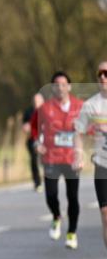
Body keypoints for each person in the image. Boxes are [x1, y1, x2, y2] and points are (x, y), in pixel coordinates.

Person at [32, 72, 83, 249]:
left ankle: (72, 233)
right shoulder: (45, 108)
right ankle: (56, 216)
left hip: (71, 159)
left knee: (72, 197)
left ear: (69, 87)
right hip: (51, 157)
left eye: (63, 84)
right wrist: (38, 143)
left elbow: (89, 129)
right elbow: (34, 128)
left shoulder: (79, 106)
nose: (60, 88)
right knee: (51, 195)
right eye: (56, 85)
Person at [74, 61, 107, 259]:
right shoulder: (91, 105)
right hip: (102, 164)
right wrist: (78, 154)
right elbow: (77, 131)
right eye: (100, 74)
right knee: (105, 214)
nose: (103, 77)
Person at [23, 93, 45, 192]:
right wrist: (26, 127)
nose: (36, 103)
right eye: (35, 101)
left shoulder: (47, 111)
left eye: (38, 101)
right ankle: (37, 182)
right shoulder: (28, 112)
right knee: (34, 159)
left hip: (46, 140)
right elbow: (24, 126)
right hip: (33, 139)